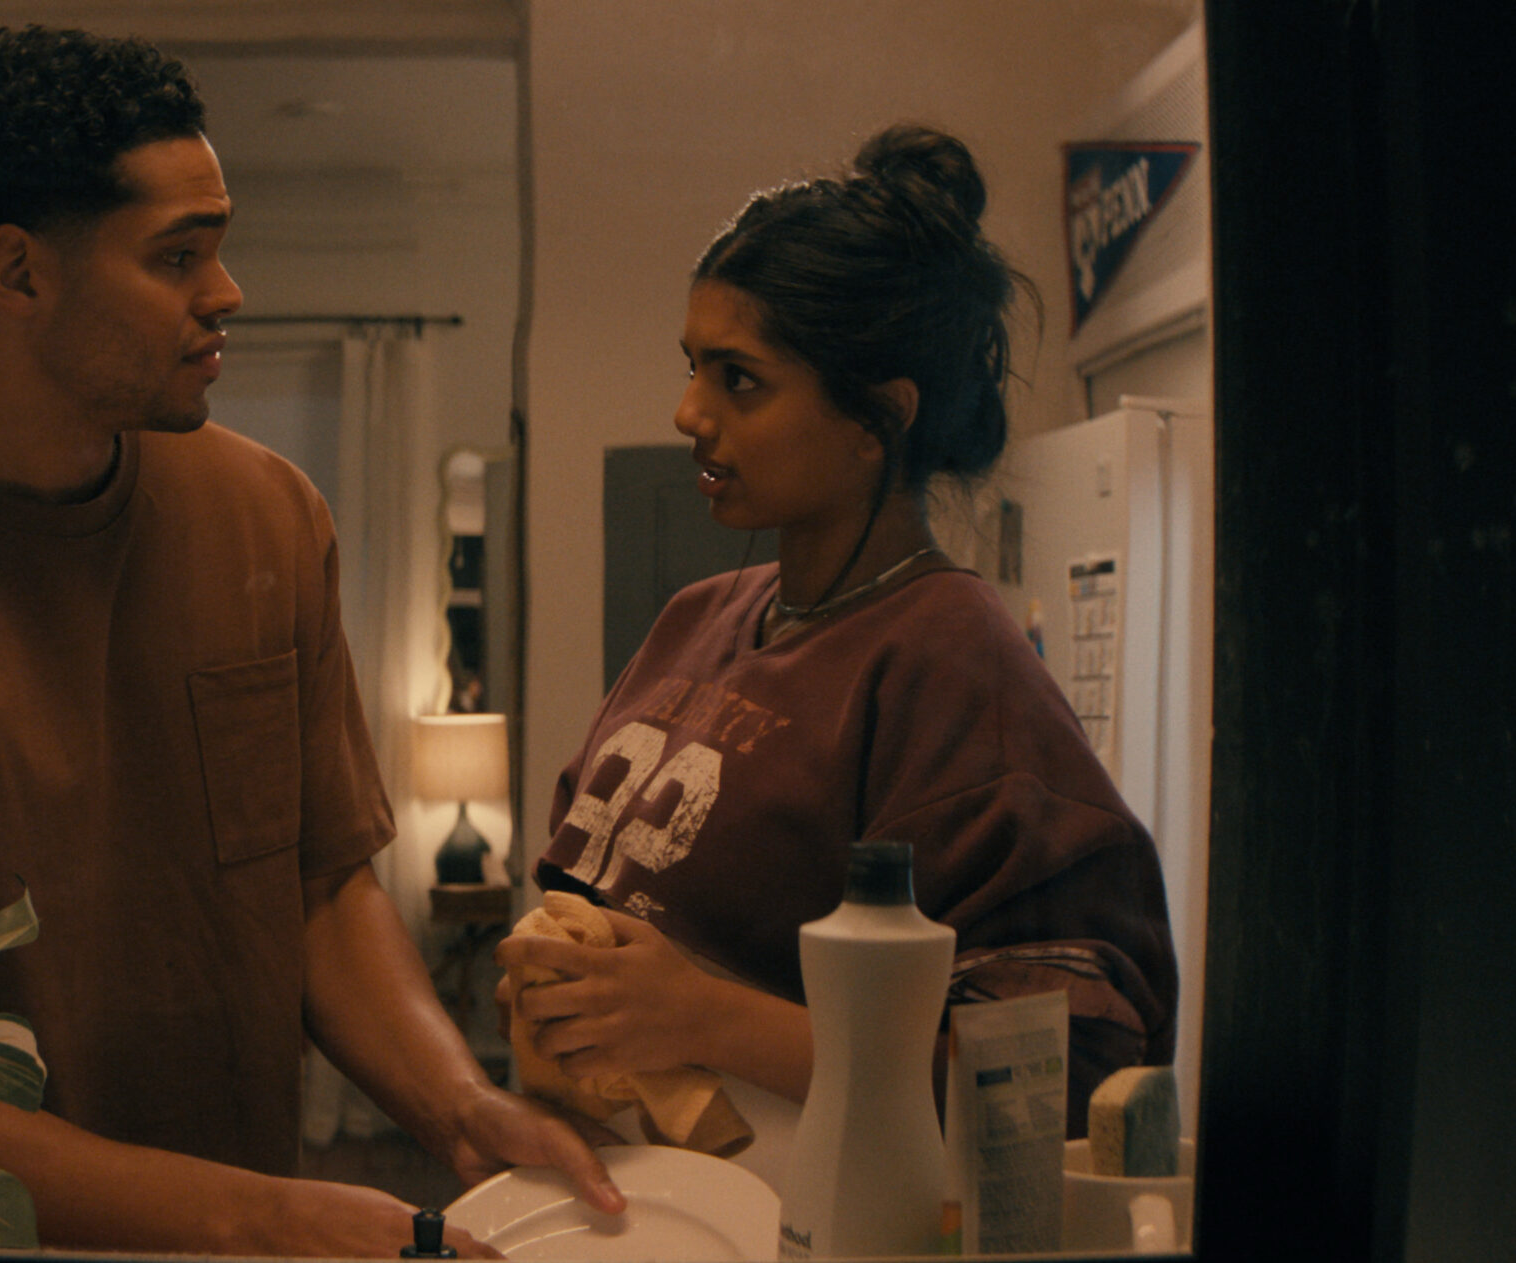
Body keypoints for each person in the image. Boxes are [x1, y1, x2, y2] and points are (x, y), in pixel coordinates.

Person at [0, 25, 618, 1256]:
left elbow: (321, 890)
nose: (226, 293)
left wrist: (459, 1104)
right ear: (18, 275)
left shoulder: (266, 516)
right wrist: (258, 1217)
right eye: (178, 257)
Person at [497, 124, 1179, 1170]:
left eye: (740, 380)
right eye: (692, 368)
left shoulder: (954, 664)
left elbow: (1057, 1081)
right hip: (632, 1201)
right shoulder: (694, 619)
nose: (688, 413)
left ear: (878, 420)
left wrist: (706, 1019)